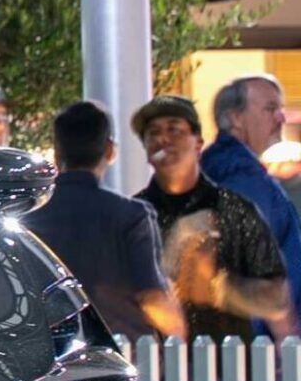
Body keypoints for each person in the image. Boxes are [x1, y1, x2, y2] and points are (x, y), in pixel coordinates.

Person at [132, 95, 296, 342]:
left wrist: (218, 287)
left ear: (198, 142)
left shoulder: (234, 210)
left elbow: (276, 299)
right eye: (152, 133)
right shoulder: (134, 215)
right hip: (155, 370)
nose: (162, 139)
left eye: (174, 130)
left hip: (231, 368)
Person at [22, 101, 186, 341]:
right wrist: (180, 334)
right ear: (110, 151)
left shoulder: (28, 217)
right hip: (123, 355)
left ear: (57, 151)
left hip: (53, 356)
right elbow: (152, 299)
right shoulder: (132, 215)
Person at [200, 72, 301, 322]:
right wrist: (286, 336)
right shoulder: (246, 182)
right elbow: (258, 270)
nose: (281, 118)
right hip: (258, 345)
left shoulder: (216, 169)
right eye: (270, 108)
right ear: (236, 118)